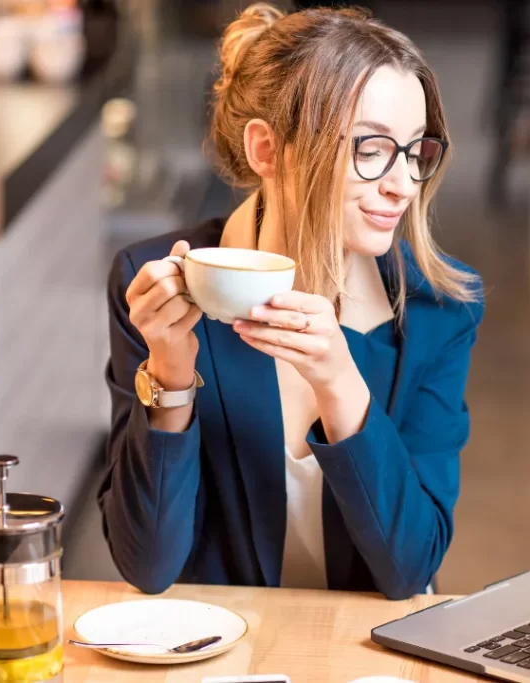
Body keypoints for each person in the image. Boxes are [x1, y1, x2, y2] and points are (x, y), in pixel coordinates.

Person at [98, 2, 484, 601]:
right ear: (267, 151)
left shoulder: (440, 310)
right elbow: (148, 564)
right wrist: (172, 368)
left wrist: (338, 380)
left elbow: (410, 568)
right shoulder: (160, 292)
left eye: (414, 151)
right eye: (370, 149)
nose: (404, 183)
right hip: (227, 651)